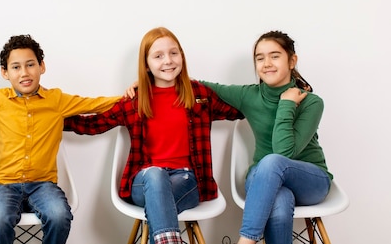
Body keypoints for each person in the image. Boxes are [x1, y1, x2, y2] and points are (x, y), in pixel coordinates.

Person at [0, 34, 123, 244]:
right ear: (5, 72)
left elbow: (96, 104)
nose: (24, 72)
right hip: (5, 185)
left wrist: (134, 95)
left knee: (59, 215)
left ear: (42, 66)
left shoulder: (57, 100)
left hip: (44, 185)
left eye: (30, 64)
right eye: (16, 67)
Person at [64, 27, 243, 244]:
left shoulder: (200, 95)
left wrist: (276, 92)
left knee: (159, 204)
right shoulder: (135, 100)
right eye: (158, 56)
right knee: (155, 176)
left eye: (174, 53)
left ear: (182, 57)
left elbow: (241, 109)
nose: (168, 60)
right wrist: (49, 117)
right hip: (144, 181)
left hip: (188, 180)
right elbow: (92, 124)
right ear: (146, 64)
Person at [200, 30, 332, 244]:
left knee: (272, 160)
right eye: (260, 58)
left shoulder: (312, 102)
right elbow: (201, 87)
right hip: (263, 178)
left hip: (311, 181)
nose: (266, 63)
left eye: (275, 56)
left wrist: (286, 103)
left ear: (292, 61)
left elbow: (284, 153)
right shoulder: (249, 95)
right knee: (280, 198)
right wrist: (146, 83)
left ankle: (246, 240)